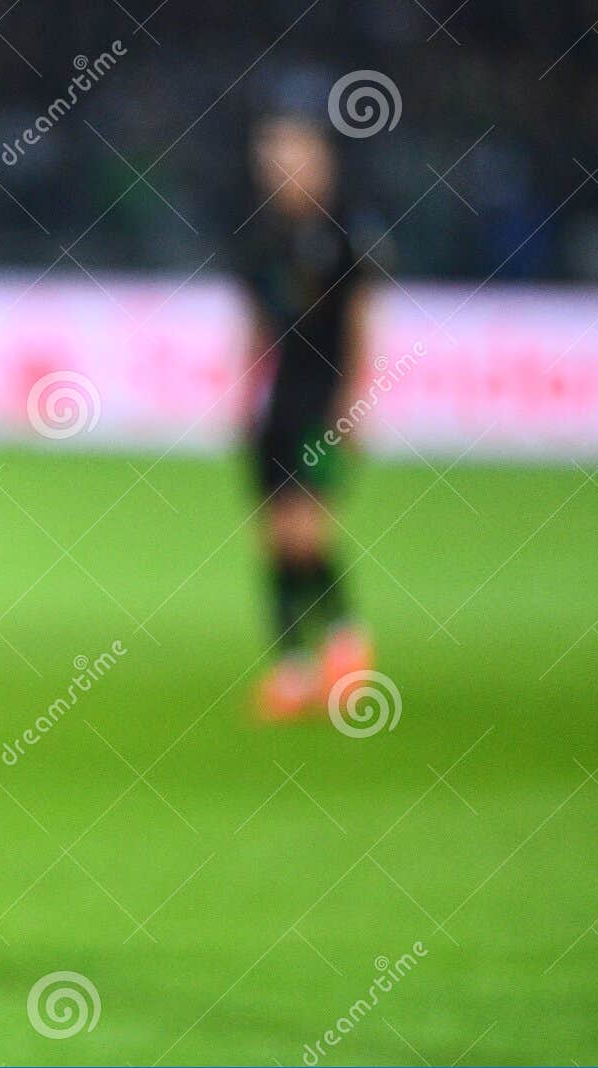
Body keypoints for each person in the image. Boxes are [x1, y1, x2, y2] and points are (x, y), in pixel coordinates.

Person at [240, 113, 373, 721]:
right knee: (273, 535)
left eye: (292, 158)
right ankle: (292, 665)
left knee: (306, 530)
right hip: (278, 400)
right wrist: (247, 394)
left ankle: (345, 642)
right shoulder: (261, 237)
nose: (280, 171)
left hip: (323, 399)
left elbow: (359, 326)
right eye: (272, 160)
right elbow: (257, 326)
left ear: (322, 163)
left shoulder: (347, 234)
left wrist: (355, 404)